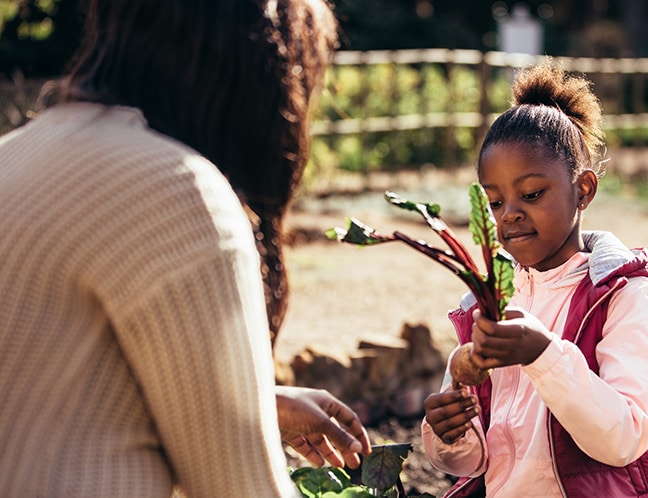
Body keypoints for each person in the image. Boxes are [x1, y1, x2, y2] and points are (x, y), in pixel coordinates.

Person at [0, 0, 371, 496]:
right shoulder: (178, 192)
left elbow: (48, 396)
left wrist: (254, 403)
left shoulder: (14, 153)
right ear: (262, 70)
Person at [421, 62, 648, 497]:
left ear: (583, 189)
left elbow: (624, 438)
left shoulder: (626, 295)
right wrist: (449, 432)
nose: (510, 214)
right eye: (496, 201)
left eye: (532, 194)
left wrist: (541, 353)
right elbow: (476, 461)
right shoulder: (488, 305)